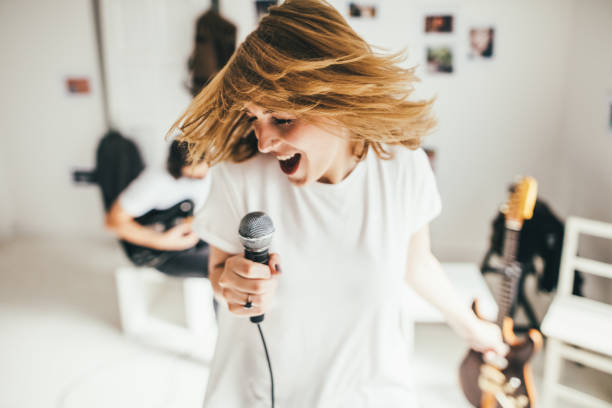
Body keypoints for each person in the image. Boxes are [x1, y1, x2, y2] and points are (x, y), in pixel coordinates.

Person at [170, 0, 508, 406]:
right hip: (258, 393)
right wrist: (234, 284)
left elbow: (417, 266)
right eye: (254, 118)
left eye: (281, 118)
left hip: (370, 392)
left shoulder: (402, 166)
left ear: (336, 98)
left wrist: (472, 328)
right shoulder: (240, 172)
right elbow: (218, 271)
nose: (263, 141)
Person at [105, 140, 211, 278]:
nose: (203, 173)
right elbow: (112, 222)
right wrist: (162, 241)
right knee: (219, 266)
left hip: (193, 236)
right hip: (163, 253)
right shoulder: (155, 182)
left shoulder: (211, 171)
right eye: (194, 174)